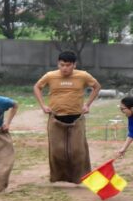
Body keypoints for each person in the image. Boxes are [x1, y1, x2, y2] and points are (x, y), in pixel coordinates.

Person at [33, 51, 102, 184]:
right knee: (57, 151)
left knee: (77, 150)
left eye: (68, 65)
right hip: (56, 118)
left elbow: (97, 87)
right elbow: (37, 87)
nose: (65, 68)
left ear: (74, 65)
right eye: (62, 65)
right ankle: (58, 176)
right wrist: (43, 105)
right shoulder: (50, 76)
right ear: (58, 64)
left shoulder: (83, 76)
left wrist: (87, 105)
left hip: (76, 118)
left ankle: (80, 177)